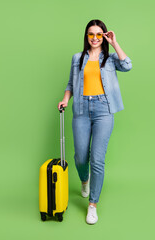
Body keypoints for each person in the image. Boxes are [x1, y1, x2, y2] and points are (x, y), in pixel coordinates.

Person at [57, 19, 132, 224]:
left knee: (97, 159)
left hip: (104, 110)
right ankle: (84, 180)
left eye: (100, 34)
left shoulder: (110, 59)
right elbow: (71, 83)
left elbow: (127, 65)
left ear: (104, 36)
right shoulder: (77, 58)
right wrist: (65, 99)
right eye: (92, 34)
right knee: (81, 157)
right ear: (86, 36)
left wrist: (115, 43)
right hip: (81, 109)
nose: (95, 38)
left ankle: (92, 205)